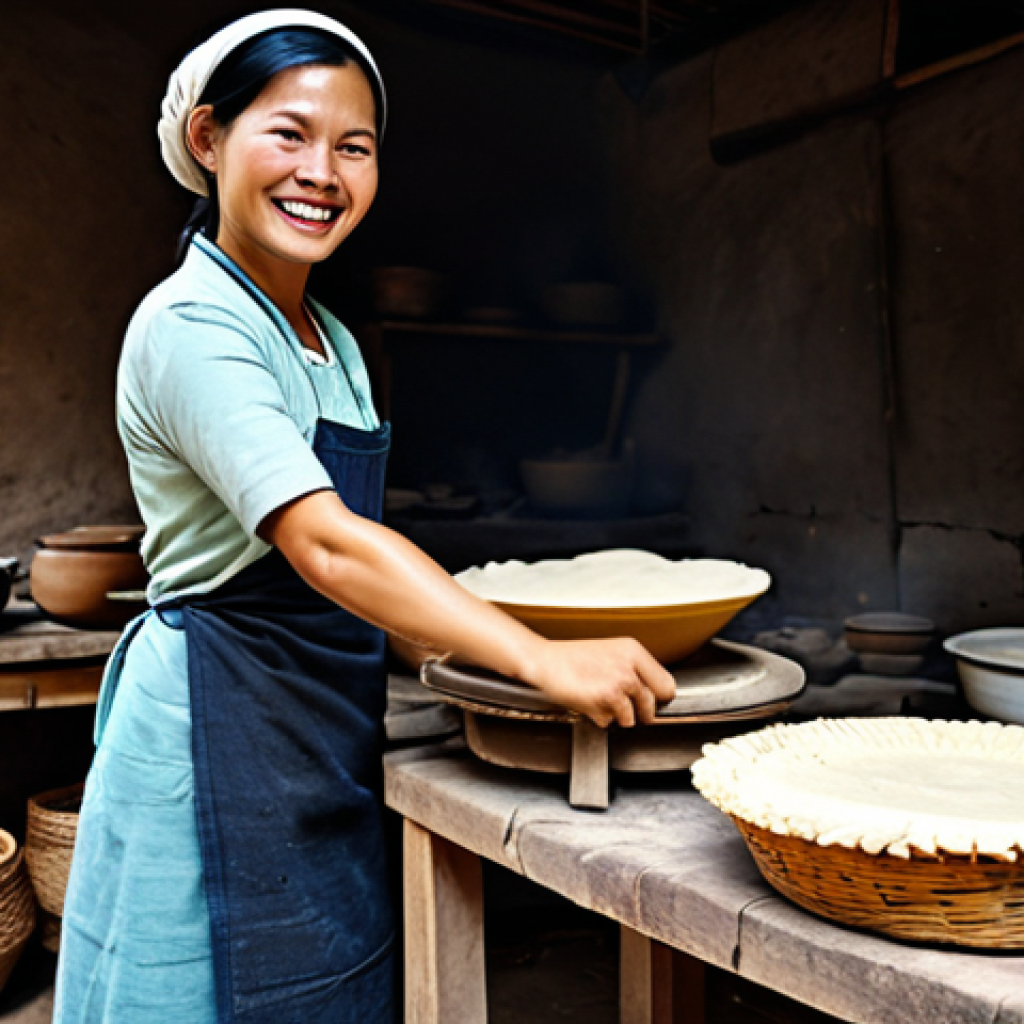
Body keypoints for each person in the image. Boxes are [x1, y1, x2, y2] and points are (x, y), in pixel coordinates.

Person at [54, 10, 676, 1023]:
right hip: (215, 722)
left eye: (354, 147)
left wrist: (457, 668)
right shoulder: (189, 325)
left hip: (316, 719)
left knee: (324, 989)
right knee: (209, 993)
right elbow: (326, 540)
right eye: (288, 134)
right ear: (209, 141)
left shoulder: (330, 338)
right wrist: (538, 656)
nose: (322, 172)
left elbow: (354, 573)